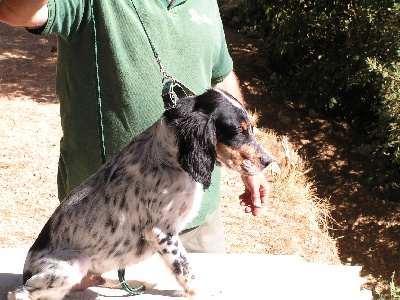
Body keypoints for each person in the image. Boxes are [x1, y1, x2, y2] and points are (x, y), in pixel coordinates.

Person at [0, 0, 270, 254]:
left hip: (195, 219)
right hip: (109, 223)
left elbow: (219, 77)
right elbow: (13, 10)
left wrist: (248, 156)